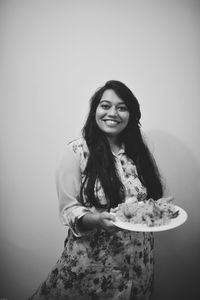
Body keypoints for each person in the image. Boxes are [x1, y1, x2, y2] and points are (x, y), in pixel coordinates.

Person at [29, 80, 164, 300]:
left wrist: (159, 208)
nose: (113, 113)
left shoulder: (136, 151)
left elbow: (146, 199)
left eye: (122, 107)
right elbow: (68, 210)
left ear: (131, 115)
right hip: (92, 267)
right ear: (95, 111)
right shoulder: (77, 151)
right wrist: (96, 220)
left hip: (138, 265)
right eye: (105, 105)